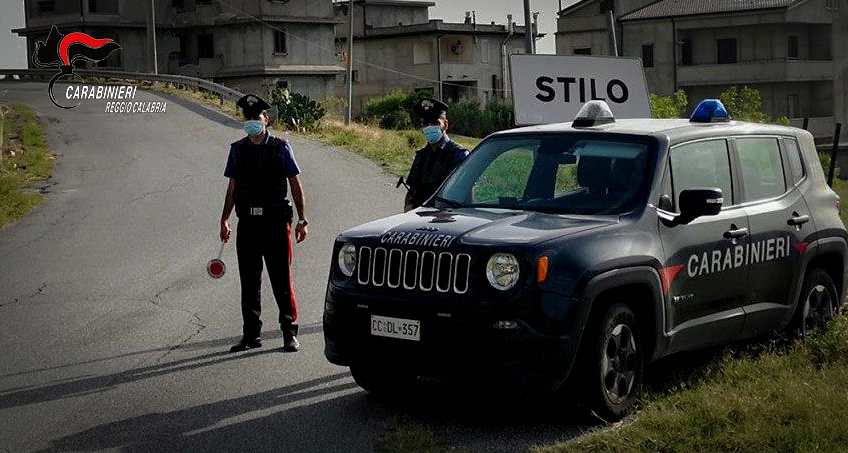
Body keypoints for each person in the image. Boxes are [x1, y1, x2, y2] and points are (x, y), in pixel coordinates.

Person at [220, 94, 309, 353]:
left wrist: (302, 219)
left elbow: (295, 183)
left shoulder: (281, 147)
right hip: (248, 223)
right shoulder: (238, 150)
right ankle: (251, 335)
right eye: (247, 117)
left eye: (256, 117)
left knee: (281, 281)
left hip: (275, 223)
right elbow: (232, 188)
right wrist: (224, 219)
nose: (251, 121)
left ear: (266, 119)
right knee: (249, 283)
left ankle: (289, 333)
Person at [404, 98, 469, 211]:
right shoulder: (421, 156)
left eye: (435, 123)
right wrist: (408, 211)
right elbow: (412, 191)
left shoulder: (458, 155)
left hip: (448, 215)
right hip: (421, 215)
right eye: (425, 124)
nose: (429, 127)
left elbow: (464, 194)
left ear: (445, 125)